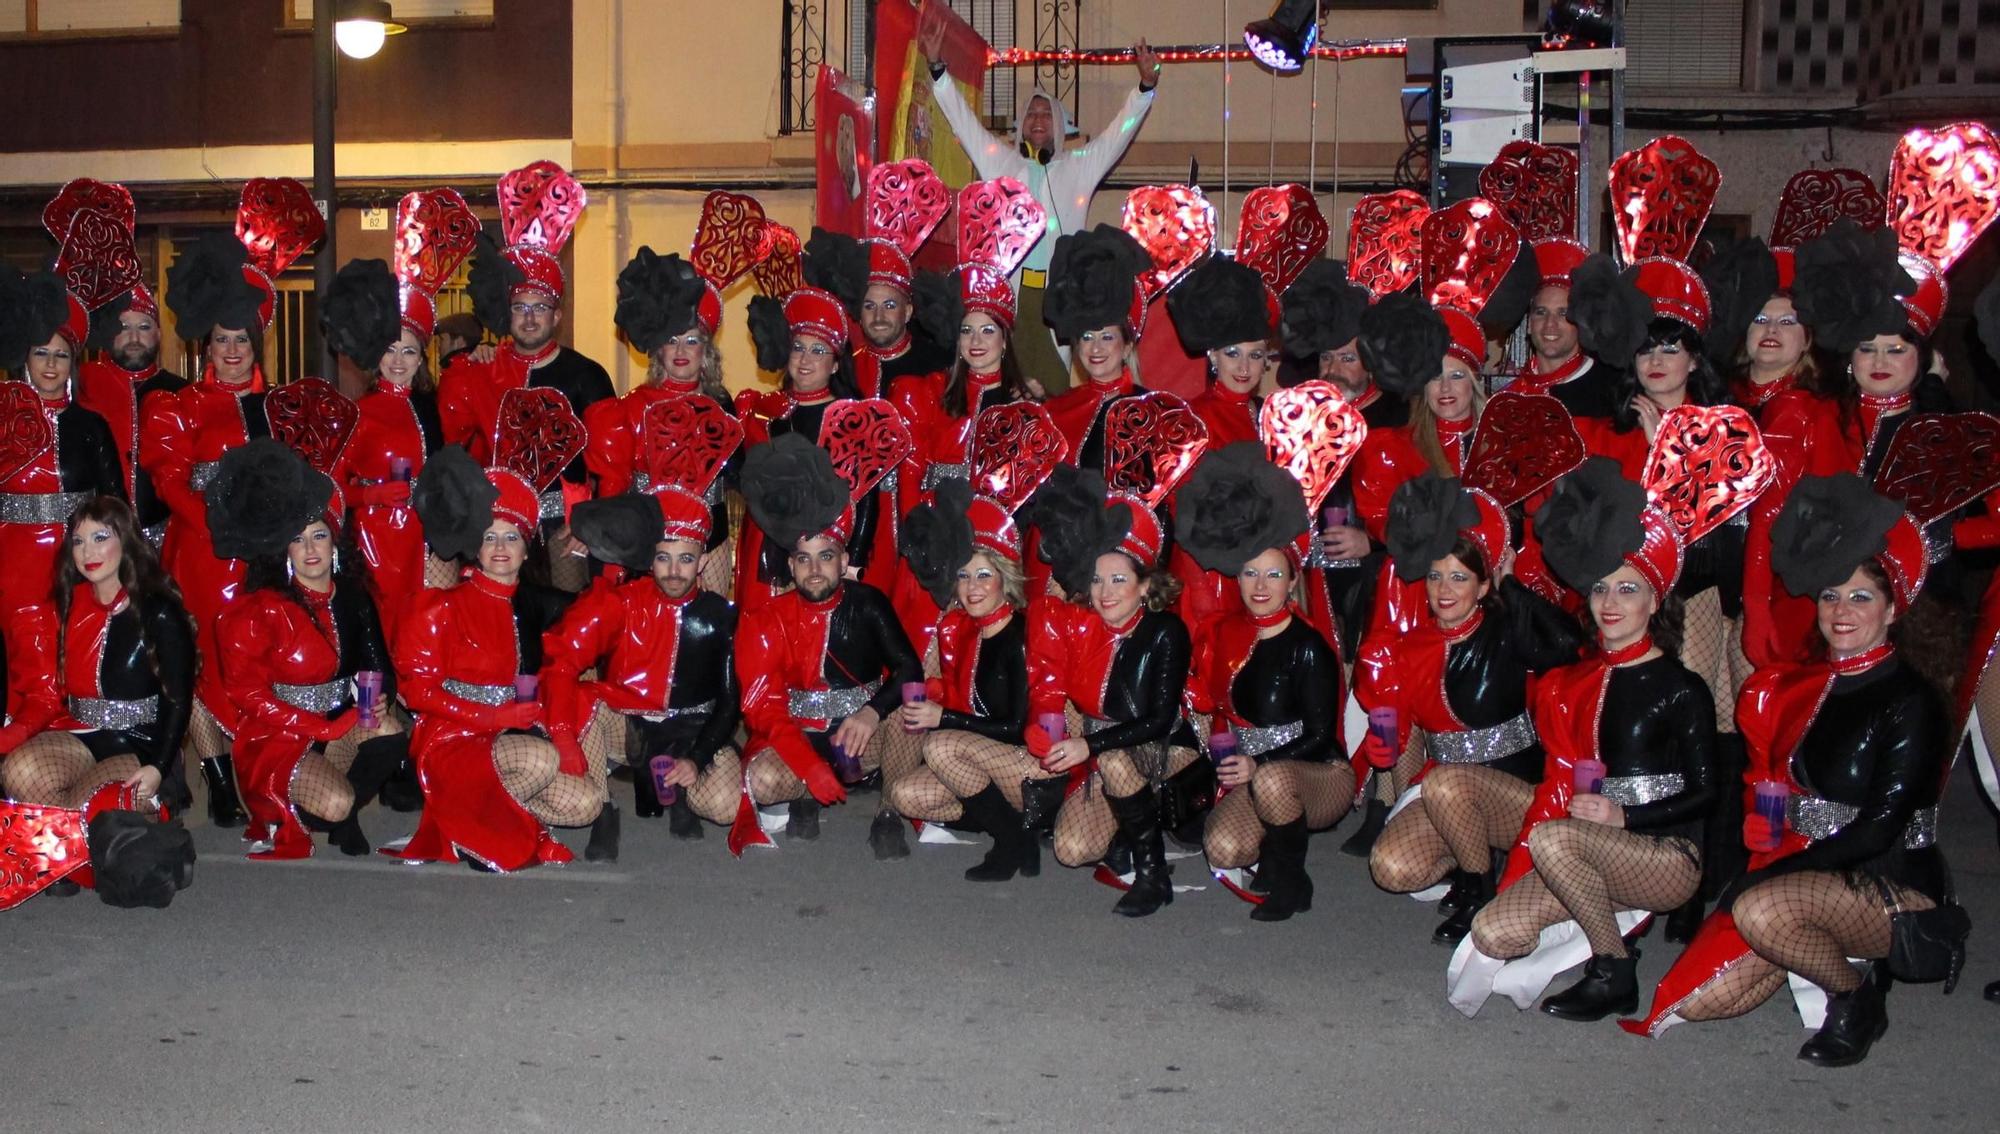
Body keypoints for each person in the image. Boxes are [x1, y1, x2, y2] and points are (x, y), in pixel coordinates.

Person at [1624, 475, 1961, 1068]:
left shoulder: (1912, 700)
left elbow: (1881, 830)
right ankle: (1812, 948)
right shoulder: (1802, 687)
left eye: (1860, 597)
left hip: (1893, 881)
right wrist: (1767, 829)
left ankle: (1856, 997)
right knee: (1703, 1001)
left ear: (1892, 609)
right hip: (1812, 871)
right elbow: (1776, 786)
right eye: (1831, 596)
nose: (1841, 611)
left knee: (1760, 910)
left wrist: (1774, 874)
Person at [1454, 461, 1715, 1020]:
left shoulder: (1683, 686)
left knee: (1554, 840)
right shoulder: (1583, 676)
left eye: (1628, 588)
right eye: (1601, 587)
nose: (1611, 601)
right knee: (1493, 932)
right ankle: (1592, 910)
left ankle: (1612, 967)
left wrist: (1625, 819)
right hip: (1590, 852)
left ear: (1655, 601)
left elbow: (1706, 791)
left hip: (1665, 855)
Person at [145, 212, 319, 829]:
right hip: (203, 551)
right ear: (205, 345)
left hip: (268, 555)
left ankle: (266, 770)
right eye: (222, 339)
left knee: (260, 662)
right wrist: (222, 528)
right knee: (202, 662)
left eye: (242, 339)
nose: (232, 349)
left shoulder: (284, 406)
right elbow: (169, 481)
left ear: (256, 341)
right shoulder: (177, 406)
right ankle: (218, 780)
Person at [1360, 473, 1584, 943]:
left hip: (1516, 795)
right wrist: (1386, 750)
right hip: (1449, 797)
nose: (1445, 589)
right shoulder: (1411, 647)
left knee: (1443, 782)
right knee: (1391, 868)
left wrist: (1512, 585)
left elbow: (1568, 646)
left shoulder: (1506, 629)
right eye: (1437, 576)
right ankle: (1472, 860)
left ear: (1483, 587)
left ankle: (1475, 886)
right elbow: (1401, 730)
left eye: (1460, 578)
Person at [390, 448, 595, 872]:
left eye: (511, 538)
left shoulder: (533, 605)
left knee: (585, 804)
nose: (500, 547)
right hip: (452, 736)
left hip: (510, 733)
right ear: (474, 547)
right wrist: (491, 718)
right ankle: (473, 826)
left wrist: (601, 540)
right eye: (489, 537)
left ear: (526, 550)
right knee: (541, 760)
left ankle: (475, 822)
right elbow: (415, 692)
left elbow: (594, 613)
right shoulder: (439, 608)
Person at [926, 33, 1160, 391]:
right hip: (1012, 294)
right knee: (1009, 385)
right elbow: (966, 126)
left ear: (1059, 124)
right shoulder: (1001, 162)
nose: (1037, 119)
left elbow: (1118, 134)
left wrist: (1145, 87)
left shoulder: (1079, 167)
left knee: (1053, 390)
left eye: (1046, 113)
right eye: (1031, 113)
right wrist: (938, 72)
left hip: (1059, 297)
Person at [1177, 444, 1349, 922]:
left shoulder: (1309, 645)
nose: (1260, 585)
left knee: (1273, 781)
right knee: (1223, 849)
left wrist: (1258, 764)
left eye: (1273, 574)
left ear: (1293, 581)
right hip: (1256, 771)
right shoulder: (1223, 633)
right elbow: (1212, 707)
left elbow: (1320, 737)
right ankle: (1273, 844)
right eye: (1250, 573)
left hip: (1318, 775)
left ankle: (1293, 879)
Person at [210, 441, 405, 860]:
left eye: (320, 536)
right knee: (333, 802)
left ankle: (346, 817)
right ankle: (325, 811)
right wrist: (321, 729)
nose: (312, 549)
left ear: (335, 545)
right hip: (280, 736)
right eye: (299, 540)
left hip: (338, 722)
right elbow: (248, 695)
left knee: (389, 729)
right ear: (285, 551)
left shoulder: (353, 596)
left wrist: (380, 695)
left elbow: (378, 664)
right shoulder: (261, 608)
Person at [1023, 471, 1203, 917]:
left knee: (1118, 763)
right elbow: (1052, 685)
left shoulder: (1166, 631)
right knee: (1071, 848)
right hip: (1102, 753)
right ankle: (1133, 828)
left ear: (1145, 585)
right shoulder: (1082, 625)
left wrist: (1088, 744)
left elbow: (1159, 720)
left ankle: (1152, 875)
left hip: (1161, 748)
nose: (1105, 592)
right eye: (1098, 580)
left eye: (1119, 580)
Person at [734, 435, 922, 854]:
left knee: (913, 709)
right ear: (790, 565)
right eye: (804, 559)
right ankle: (803, 796)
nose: (815, 570)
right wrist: (808, 765)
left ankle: (888, 814)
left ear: (842, 560)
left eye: (825, 557)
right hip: (800, 732)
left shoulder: (869, 603)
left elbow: (911, 670)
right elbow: (762, 708)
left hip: (863, 733)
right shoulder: (765, 619)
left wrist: (872, 714)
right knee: (761, 780)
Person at [439, 164, 613, 591]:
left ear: (557, 314)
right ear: (508, 313)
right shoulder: (483, 368)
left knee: (565, 621)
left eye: (540, 308)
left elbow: (611, 463)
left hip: (563, 524)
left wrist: (590, 522)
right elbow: (455, 445)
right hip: (495, 527)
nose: (530, 318)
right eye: (521, 308)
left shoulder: (586, 375)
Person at [541, 489, 743, 845]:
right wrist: (562, 732)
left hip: (696, 727)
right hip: (631, 722)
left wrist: (697, 758)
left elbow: (730, 703)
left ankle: (684, 794)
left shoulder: (723, 617)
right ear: (650, 560)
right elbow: (561, 661)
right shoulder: (621, 603)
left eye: (686, 559)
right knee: (587, 700)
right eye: (664, 558)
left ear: (704, 563)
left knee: (724, 806)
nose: (675, 571)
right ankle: (603, 809)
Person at [0, 497, 195, 814]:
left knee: (84, 807)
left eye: (100, 538)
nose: (87, 552)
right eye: (78, 541)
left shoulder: (159, 610)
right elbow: (45, 691)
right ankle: (97, 832)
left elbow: (179, 699)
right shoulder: (65, 604)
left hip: (141, 742)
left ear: (126, 541)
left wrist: (159, 765)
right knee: (20, 772)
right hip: (80, 735)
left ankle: (138, 812)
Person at [887, 479, 1037, 880]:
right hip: (976, 756)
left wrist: (945, 719)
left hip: (1027, 760)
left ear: (1005, 579)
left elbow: (1017, 727)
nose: (972, 588)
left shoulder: (1021, 635)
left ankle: (1010, 840)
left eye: (983, 575)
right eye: (964, 576)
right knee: (906, 795)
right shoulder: (963, 631)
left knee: (941, 745)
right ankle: (1011, 823)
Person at [891, 259, 1038, 646]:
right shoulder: (927, 393)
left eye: (987, 330)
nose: (976, 340)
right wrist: (920, 535)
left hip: (994, 547)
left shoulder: (1025, 406)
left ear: (1005, 339)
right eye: (966, 330)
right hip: (935, 538)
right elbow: (910, 474)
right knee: (924, 642)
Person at [322, 254, 458, 646]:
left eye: (410, 352)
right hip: (373, 541)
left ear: (423, 358)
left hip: (426, 538)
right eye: (391, 350)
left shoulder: (435, 409)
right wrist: (371, 495)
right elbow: (330, 489)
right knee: (381, 630)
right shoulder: (357, 413)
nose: (398, 361)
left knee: (427, 628)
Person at [591, 246, 739, 596]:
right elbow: (613, 495)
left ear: (706, 352)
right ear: (659, 350)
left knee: (710, 629)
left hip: (712, 537)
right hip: (651, 539)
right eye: (672, 341)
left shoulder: (723, 405)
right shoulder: (629, 408)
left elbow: (739, 479)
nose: (682, 351)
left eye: (692, 341)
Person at [734, 287, 880, 615]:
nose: (805, 359)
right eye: (798, 347)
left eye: (818, 350)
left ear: (834, 364)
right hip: (766, 549)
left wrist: (853, 562)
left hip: (827, 557)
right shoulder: (761, 412)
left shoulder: (852, 418)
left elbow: (868, 498)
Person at [0, 271, 127, 623]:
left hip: (82, 559)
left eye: (62, 355)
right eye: (42, 353)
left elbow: (115, 501)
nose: (52, 364)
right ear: (24, 359)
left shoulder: (91, 426)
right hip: (11, 560)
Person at [1351, 293, 1487, 541]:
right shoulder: (1392, 449)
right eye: (1435, 377)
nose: (1445, 388)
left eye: (1457, 376)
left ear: (1474, 383)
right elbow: (1381, 524)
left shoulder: (1499, 446)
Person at [77, 281, 185, 545]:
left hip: (169, 537)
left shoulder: (182, 392)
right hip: (98, 538)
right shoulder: (83, 384)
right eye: (123, 327)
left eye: (144, 327)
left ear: (159, 333)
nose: (134, 339)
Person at [1507, 238, 1619, 416]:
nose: (1550, 324)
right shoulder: (1508, 399)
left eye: (1563, 314)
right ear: (1529, 324)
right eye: (1541, 312)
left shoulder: (1612, 395)